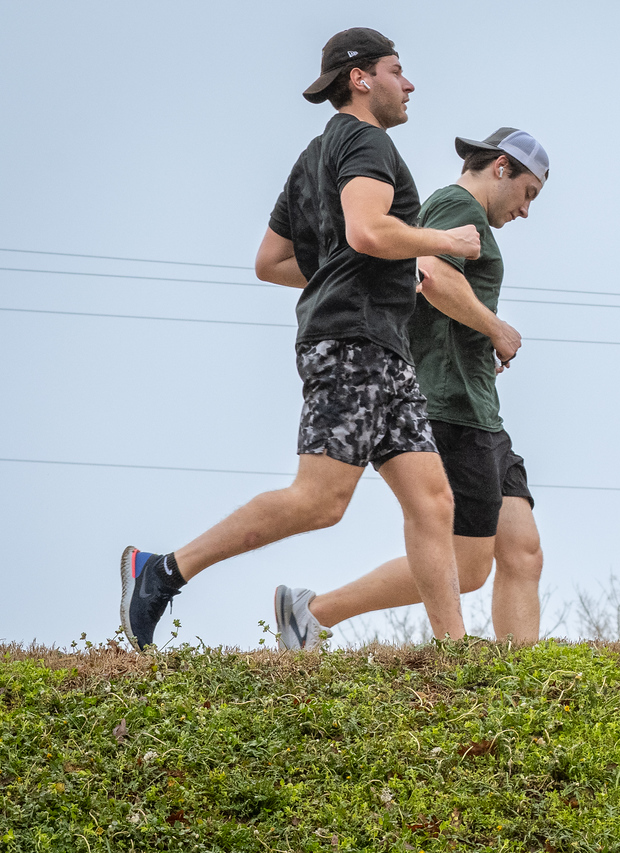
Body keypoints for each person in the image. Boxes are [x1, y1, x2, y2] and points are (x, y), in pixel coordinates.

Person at [119, 27, 481, 651]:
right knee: (320, 500)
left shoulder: (315, 155)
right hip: (353, 343)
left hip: (379, 345)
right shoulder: (366, 141)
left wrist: (349, 275)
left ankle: (455, 654)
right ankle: (162, 569)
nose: (410, 83)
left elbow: (270, 260)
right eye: (398, 70)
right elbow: (368, 231)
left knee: (432, 499)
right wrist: (444, 242)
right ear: (361, 78)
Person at [273, 128, 550, 648]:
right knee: (467, 567)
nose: (526, 210)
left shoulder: (469, 219)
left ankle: (523, 675)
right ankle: (312, 613)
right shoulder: (453, 204)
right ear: (501, 168)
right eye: (528, 193)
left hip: (479, 406)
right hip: (447, 405)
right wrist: (495, 328)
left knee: (522, 548)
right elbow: (430, 273)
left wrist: (478, 340)